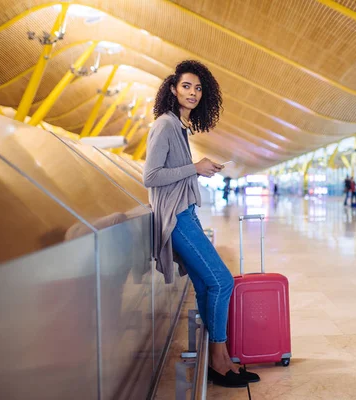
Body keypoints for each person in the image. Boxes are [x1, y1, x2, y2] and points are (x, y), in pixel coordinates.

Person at [143, 60, 258, 388]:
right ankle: (220, 360)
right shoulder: (164, 125)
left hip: (185, 213)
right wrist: (195, 168)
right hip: (176, 218)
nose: (193, 93)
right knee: (222, 281)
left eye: (198, 88)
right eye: (186, 86)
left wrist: (199, 168)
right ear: (172, 88)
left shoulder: (179, 127)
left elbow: (173, 172)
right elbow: (150, 176)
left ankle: (220, 360)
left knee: (208, 284)